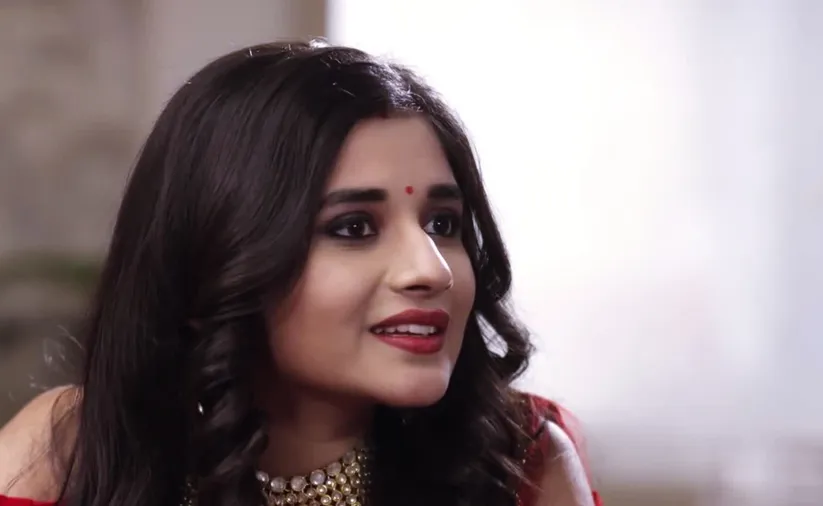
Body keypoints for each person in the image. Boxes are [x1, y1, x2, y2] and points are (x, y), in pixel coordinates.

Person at [0, 41, 601, 506]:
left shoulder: (517, 462)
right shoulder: (77, 451)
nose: (431, 269)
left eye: (442, 223)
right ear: (214, 256)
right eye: (354, 228)